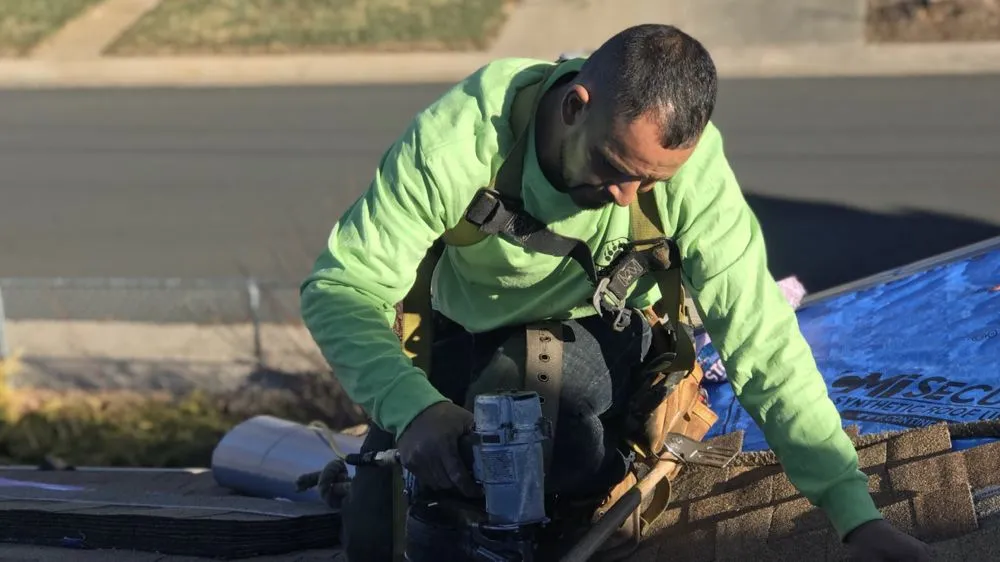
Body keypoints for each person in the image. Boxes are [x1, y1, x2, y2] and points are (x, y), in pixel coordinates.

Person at [300, 23, 932, 562]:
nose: (626, 197)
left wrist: (855, 515)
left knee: (531, 422)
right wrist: (412, 409)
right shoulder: (459, 145)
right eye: (613, 167)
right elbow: (340, 287)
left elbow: (761, 340)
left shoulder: (692, 176)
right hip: (460, 335)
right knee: (381, 531)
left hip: (599, 340)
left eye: (649, 182)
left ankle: (592, 479)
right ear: (575, 106)